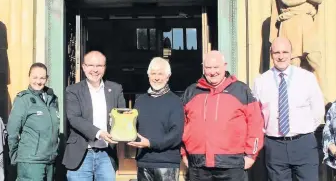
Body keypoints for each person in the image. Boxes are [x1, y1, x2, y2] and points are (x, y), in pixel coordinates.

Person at [181, 50, 264, 181]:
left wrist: (251, 155)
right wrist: (183, 153)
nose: (212, 72)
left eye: (216, 67)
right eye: (208, 67)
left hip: (232, 165)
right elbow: (181, 124)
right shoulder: (191, 92)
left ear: (224, 66)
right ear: (203, 67)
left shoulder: (241, 90)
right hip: (198, 165)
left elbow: (256, 124)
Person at [252, 37, 325, 181]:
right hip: (274, 145)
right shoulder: (260, 81)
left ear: (291, 54)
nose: (281, 56)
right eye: (277, 52)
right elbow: (256, 114)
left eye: (285, 52)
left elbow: (318, 109)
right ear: (271, 54)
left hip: (303, 143)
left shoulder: (306, 78)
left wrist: (304, 129)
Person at [63, 51, 126, 181]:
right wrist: (99, 133)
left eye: (99, 66)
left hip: (106, 154)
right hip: (81, 153)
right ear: (84, 67)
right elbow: (74, 118)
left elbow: (122, 116)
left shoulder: (115, 89)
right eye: (91, 65)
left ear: (104, 68)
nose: (95, 70)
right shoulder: (73, 90)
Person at [127, 57, 184, 181]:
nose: (156, 77)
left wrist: (151, 143)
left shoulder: (175, 101)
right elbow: (132, 128)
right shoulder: (140, 101)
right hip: (144, 161)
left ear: (168, 76)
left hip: (166, 164)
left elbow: (176, 135)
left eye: (160, 74)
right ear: (148, 76)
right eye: (153, 73)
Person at [270, 0, 322, 78]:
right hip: (290, 23)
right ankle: (293, 94)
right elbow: (288, 1)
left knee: (315, 60)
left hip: (307, 24)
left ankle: (322, 95)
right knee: (294, 61)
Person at [7, 63, 60, 181]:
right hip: (31, 162)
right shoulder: (23, 100)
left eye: (42, 78)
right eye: (35, 77)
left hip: (50, 161)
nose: (38, 81)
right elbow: (12, 131)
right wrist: (15, 155)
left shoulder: (53, 99)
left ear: (47, 78)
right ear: (29, 77)